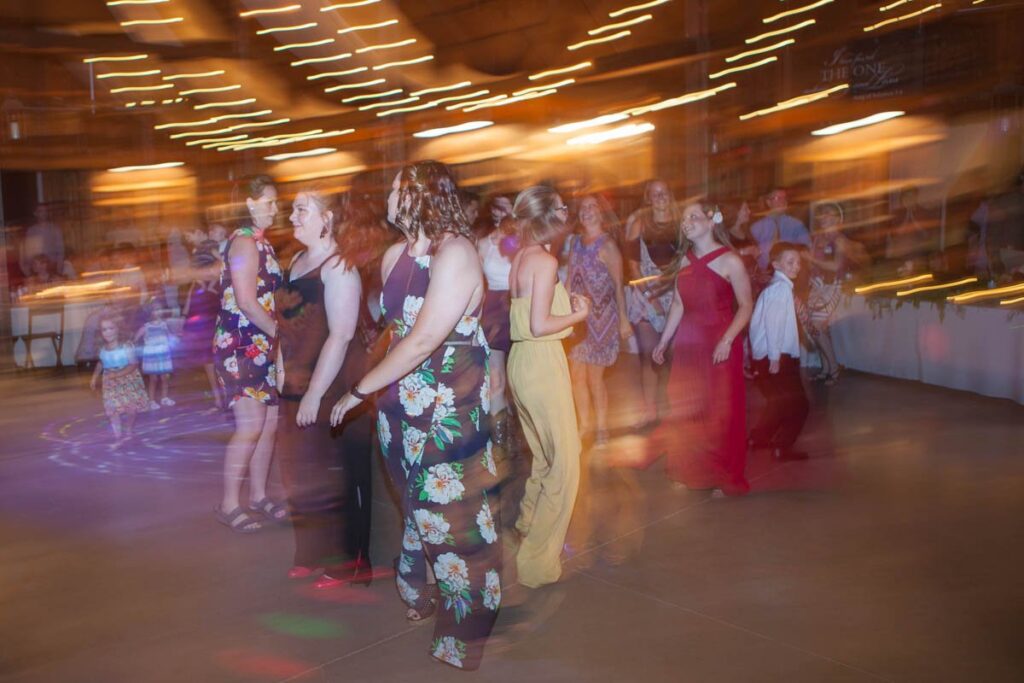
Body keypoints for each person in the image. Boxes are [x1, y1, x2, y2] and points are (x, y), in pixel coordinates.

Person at [329, 161, 500, 671]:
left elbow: (426, 338)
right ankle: (421, 587)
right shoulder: (393, 256)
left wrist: (359, 388)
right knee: (417, 506)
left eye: (398, 186)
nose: (388, 193)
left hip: (448, 406)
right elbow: (396, 331)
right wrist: (377, 384)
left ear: (422, 195)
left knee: (454, 520)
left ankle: (465, 632)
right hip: (401, 406)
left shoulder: (458, 253)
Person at [274, 186, 378, 587]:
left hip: (332, 387)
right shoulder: (297, 261)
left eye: (302, 210)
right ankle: (312, 552)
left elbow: (341, 334)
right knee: (302, 473)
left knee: (336, 477)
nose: (293, 216)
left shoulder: (339, 267)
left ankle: (348, 564)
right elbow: (285, 324)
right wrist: (282, 371)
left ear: (327, 218)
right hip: (298, 382)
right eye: (294, 210)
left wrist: (314, 395)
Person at [506, 185, 590, 588]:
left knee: (543, 453)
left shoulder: (521, 257)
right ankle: (537, 561)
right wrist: (579, 315)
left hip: (521, 362)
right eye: (561, 207)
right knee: (567, 462)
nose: (566, 211)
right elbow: (540, 325)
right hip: (541, 362)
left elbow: (528, 317)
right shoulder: (543, 260)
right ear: (546, 217)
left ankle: (527, 519)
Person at [650, 201, 754, 496]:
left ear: (711, 222)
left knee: (720, 412)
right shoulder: (683, 261)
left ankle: (724, 476)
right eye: (684, 219)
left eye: (693, 216)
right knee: (687, 408)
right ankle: (691, 469)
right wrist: (663, 341)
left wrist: (727, 340)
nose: (687, 222)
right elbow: (679, 304)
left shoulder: (730, 261)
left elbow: (746, 306)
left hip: (719, 343)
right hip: (688, 343)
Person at [213, 175, 285, 534]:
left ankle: (258, 495)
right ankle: (229, 503)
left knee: (268, 425)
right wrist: (280, 335)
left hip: (261, 343)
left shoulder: (261, 243)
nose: (276, 208)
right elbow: (245, 301)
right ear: (250, 203)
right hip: (242, 344)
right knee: (250, 426)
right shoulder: (243, 243)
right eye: (270, 201)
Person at [566, 194, 632, 446]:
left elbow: (618, 285)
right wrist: (564, 312)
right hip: (578, 320)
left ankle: (602, 427)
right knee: (576, 377)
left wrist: (624, 320)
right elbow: (570, 277)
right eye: (583, 208)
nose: (587, 211)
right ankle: (585, 426)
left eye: (592, 206)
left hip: (602, 320)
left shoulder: (608, 246)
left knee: (594, 378)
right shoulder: (575, 242)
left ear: (601, 213)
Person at [623, 180, 681, 428]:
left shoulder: (681, 223)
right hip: (645, 297)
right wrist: (650, 295)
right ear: (648, 197)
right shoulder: (639, 223)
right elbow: (633, 264)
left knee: (669, 355)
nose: (660, 196)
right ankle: (649, 410)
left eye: (664, 191)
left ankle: (665, 401)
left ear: (670, 194)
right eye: (655, 193)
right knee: (649, 355)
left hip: (676, 296)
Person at [749, 243, 809, 462]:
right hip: (778, 357)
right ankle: (782, 447)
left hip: (771, 356)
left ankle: (759, 438)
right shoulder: (780, 289)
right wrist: (774, 357)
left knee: (778, 402)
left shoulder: (779, 287)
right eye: (790, 262)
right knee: (799, 405)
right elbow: (773, 325)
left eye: (798, 262)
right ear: (776, 265)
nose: (796, 266)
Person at [804, 202, 868, 385]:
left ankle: (833, 367)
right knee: (816, 328)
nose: (826, 219)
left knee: (816, 326)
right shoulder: (817, 238)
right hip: (817, 285)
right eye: (823, 215)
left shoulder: (840, 240)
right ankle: (826, 368)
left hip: (833, 286)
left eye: (830, 216)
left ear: (838, 220)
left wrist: (810, 259)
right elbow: (811, 264)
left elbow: (836, 266)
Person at [476, 194, 516, 453]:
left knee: (521, 378)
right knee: (496, 381)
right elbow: (478, 284)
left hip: (519, 305)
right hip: (493, 312)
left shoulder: (524, 240)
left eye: (508, 206)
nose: (502, 211)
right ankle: (502, 446)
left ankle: (523, 430)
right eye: (497, 206)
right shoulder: (482, 243)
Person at [90, 313, 151, 441]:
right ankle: (118, 436)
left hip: (128, 379)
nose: (108, 332)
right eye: (104, 329)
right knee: (112, 409)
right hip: (110, 381)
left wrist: (118, 374)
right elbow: (101, 363)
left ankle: (128, 428)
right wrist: (95, 377)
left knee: (131, 409)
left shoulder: (126, 346)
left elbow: (134, 364)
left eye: (111, 328)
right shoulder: (102, 349)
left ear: (118, 329)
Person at [180, 241, 224, 409]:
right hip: (206, 321)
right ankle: (219, 398)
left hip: (215, 319)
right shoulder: (203, 276)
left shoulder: (217, 273)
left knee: (214, 361)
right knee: (210, 361)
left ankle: (221, 397)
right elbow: (191, 297)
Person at [750, 187, 811, 275]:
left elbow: (806, 247)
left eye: (784, 198)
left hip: (790, 273)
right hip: (764, 274)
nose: (782, 201)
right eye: (777, 198)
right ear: (768, 202)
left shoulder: (796, 225)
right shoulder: (756, 228)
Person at [135, 300, 175, 409]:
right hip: (152, 356)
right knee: (153, 379)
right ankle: (151, 400)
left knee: (165, 377)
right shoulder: (146, 327)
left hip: (163, 355)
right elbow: (136, 338)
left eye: (160, 309)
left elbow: (170, 335)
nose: (159, 311)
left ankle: (164, 398)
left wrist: (173, 339)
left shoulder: (164, 325)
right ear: (151, 312)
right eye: (156, 309)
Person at [19, 203, 64, 279]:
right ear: (35, 213)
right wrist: (29, 273)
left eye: (45, 211)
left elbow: (60, 252)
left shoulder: (55, 229)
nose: (43, 213)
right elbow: (27, 254)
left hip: (52, 269)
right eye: (40, 211)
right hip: (37, 271)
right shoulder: (31, 231)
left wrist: (58, 271)